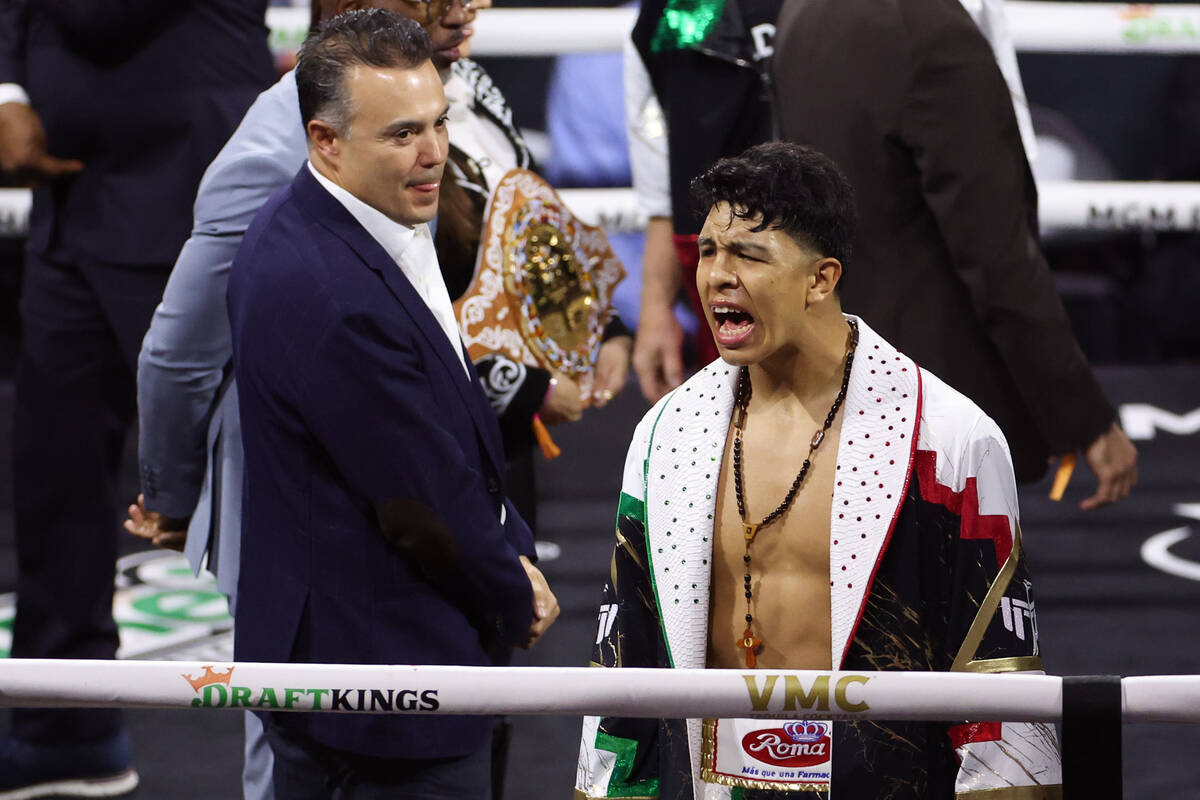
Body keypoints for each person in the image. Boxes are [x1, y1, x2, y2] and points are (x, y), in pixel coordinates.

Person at [577, 142, 1062, 799]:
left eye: (748, 254)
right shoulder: (667, 434)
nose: (719, 274)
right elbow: (620, 660)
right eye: (711, 251)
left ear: (820, 279)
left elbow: (999, 681)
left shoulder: (949, 443)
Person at [227, 11, 557, 797]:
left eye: (439, 123)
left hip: (362, 657)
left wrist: (509, 542)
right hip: (384, 680)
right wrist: (512, 585)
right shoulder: (331, 290)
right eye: (403, 133)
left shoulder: (343, 222)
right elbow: (419, 498)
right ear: (326, 141)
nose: (435, 153)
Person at [0, 3, 273, 797]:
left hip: (194, 191)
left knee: (252, 487)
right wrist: (10, 87)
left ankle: (321, 738)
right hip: (72, 195)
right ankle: (64, 730)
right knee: (54, 477)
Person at [771, 0, 1137, 506]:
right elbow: (999, 260)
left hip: (835, 386)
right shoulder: (929, 34)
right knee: (951, 585)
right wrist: (1084, 418)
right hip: (933, 413)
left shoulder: (803, 10)